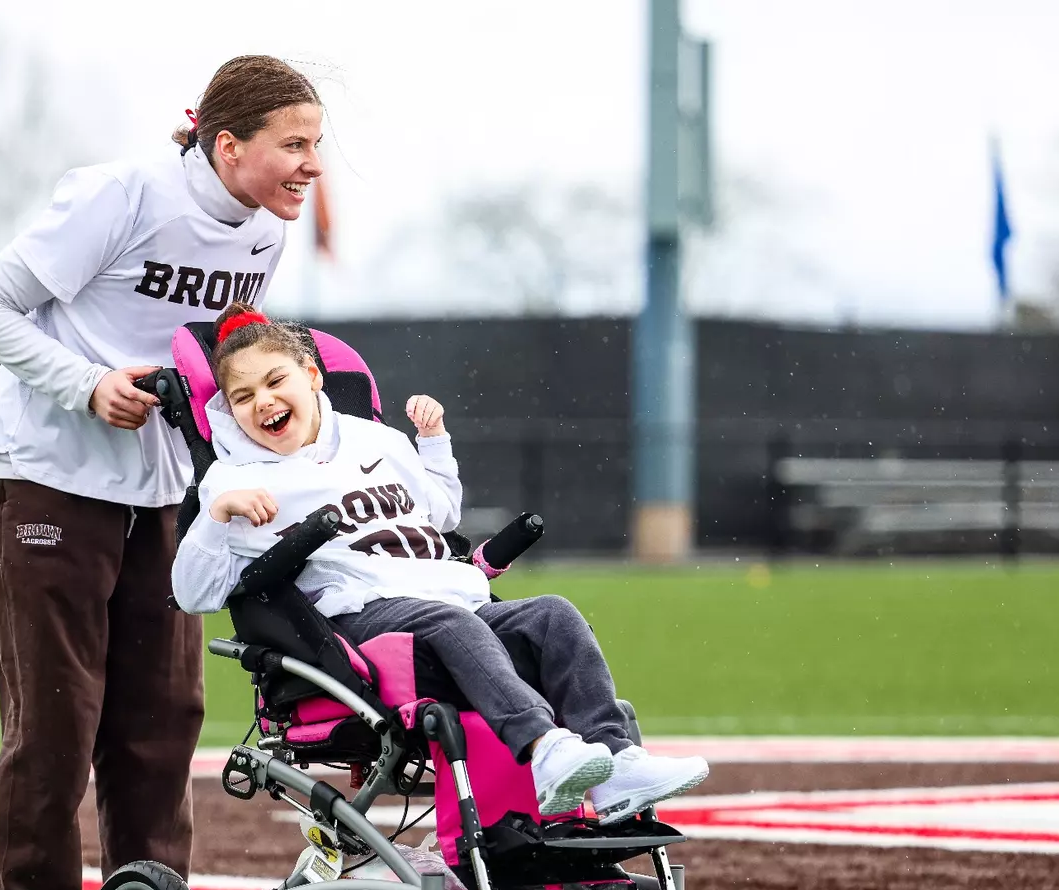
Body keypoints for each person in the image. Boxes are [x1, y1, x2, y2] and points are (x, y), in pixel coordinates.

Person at [0, 55, 322, 890]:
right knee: (56, 725)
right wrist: (86, 383)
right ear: (228, 143)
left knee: (162, 723)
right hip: (42, 477)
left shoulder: (262, 235)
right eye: (296, 145)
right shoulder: (122, 194)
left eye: (316, 145)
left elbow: (217, 373)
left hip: (164, 496)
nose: (311, 165)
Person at [172, 304, 711, 823]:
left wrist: (434, 442)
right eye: (242, 396)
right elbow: (193, 594)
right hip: (358, 617)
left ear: (311, 375)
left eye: (274, 381)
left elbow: (442, 510)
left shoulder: (377, 439)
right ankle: (544, 748)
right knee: (448, 622)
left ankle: (616, 766)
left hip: (445, 596)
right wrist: (217, 516)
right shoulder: (234, 476)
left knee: (553, 615)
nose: (262, 402)